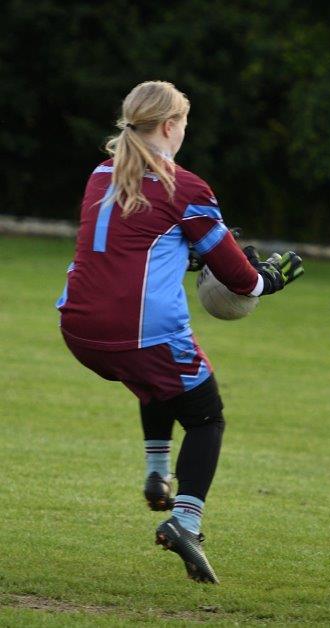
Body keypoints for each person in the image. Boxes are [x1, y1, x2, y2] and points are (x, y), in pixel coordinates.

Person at [56, 81, 304, 584]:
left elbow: (137, 243)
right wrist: (269, 280)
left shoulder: (100, 175)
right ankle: (186, 521)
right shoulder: (184, 186)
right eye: (184, 124)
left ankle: (156, 471)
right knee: (207, 415)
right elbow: (241, 278)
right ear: (171, 126)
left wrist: (185, 253)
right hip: (140, 330)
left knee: (159, 382)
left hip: (79, 328)